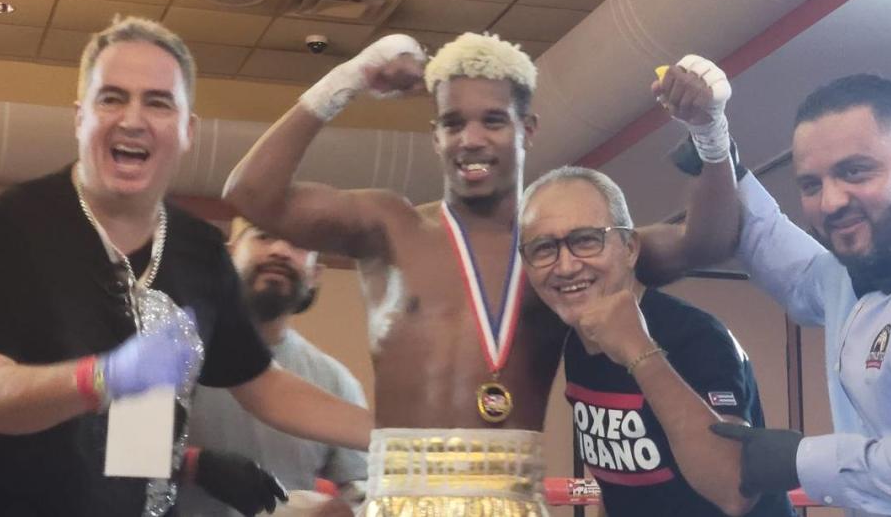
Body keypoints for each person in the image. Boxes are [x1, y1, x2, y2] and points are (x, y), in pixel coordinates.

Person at [223, 30, 740, 516]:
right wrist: (348, 78)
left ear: (527, 129)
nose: (471, 139)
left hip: (512, 496)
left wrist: (709, 133)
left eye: (492, 121)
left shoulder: (565, 251)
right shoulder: (388, 225)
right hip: (397, 497)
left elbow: (706, 241)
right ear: (436, 136)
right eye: (453, 123)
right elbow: (250, 195)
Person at [0, 16, 371, 517]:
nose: (132, 119)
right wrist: (102, 377)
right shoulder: (8, 227)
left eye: (157, 101)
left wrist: (402, 433)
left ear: (188, 129)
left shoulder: (200, 250)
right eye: (112, 98)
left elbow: (264, 386)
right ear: (79, 118)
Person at [672, 73, 891, 516]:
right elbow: (790, 264)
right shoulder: (848, 273)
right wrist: (715, 145)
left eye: (855, 171)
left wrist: (801, 460)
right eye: (811, 185)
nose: (832, 202)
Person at [517, 166, 794, 517]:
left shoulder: (698, 337)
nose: (567, 266)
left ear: (630, 247)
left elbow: (733, 489)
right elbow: (618, 484)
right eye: (544, 248)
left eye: (586, 240)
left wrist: (640, 352)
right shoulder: (578, 343)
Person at [179, 218, 366, 517]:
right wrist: (194, 465)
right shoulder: (176, 353)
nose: (281, 250)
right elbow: (113, 451)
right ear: (228, 256)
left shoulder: (336, 382)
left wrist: (347, 508)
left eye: (299, 243)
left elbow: (361, 487)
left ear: (316, 274)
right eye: (264, 236)